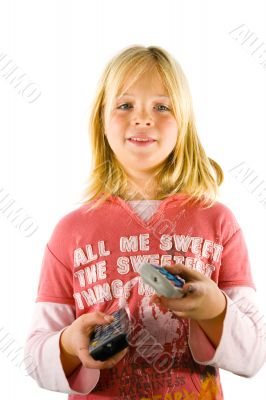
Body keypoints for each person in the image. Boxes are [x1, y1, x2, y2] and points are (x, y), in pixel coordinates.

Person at [24, 45, 266, 400]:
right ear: (101, 121)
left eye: (162, 106)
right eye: (125, 106)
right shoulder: (70, 232)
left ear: (183, 124)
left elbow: (255, 354)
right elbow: (34, 356)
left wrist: (214, 309)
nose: (143, 118)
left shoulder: (219, 222)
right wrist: (68, 344)